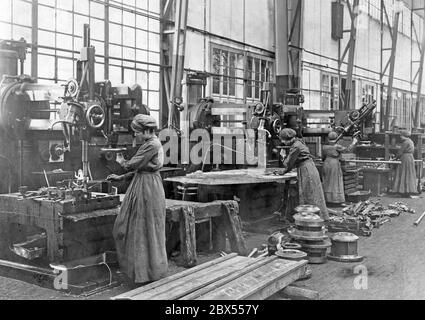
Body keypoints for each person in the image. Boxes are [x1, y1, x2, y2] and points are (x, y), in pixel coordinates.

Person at [108, 114, 168, 285]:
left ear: (146, 131)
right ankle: (138, 271)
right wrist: (121, 178)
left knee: (143, 230)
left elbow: (133, 164)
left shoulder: (152, 144)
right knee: (134, 228)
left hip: (148, 188)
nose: (135, 136)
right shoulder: (150, 143)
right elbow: (140, 169)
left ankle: (146, 273)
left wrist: (121, 161)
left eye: (137, 132)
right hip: (142, 183)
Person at [275, 128, 329, 221]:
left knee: (308, 194)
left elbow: (289, 163)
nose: (283, 142)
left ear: (288, 139)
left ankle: (310, 220)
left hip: (306, 170)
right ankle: (318, 217)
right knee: (314, 193)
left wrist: (283, 156)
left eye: (283, 140)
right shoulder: (299, 142)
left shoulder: (296, 146)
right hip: (309, 168)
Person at [322, 131, 352, 204]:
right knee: (335, 181)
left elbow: (323, 157)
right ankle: (335, 200)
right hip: (334, 163)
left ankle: (327, 199)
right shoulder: (337, 146)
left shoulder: (324, 147)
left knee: (327, 181)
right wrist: (354, 142)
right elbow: (348, 149)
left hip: (326, 162)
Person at [392, 130, 417, 197]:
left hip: (405, 158)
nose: (400, 137)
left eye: (401, 136)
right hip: (410, 157)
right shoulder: (411, 141)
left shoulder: (405, 142)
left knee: (403, 172)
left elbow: (400, 152)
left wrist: (395, 157)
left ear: (404, 136)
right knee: (408, 173)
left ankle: (402, 190)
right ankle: (407, 190)